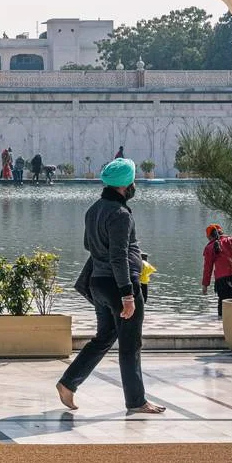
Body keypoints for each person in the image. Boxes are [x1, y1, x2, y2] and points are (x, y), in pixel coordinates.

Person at [57, 158, 165, 415]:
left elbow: (88, 245)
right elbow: (118, 255)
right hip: (119, 286)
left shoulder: (94, 210)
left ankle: (68, 383)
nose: (134, 185)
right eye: (133, 180)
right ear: (125, 185)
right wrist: (128, 295)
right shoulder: (120, 214)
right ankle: (136, 401)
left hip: (98, 283)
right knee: (130, 344)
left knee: (104, 337)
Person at [202, 224, 232, 315]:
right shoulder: (230, 240)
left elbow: (208, 268)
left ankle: (222, 324)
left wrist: (205, 285)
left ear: (210, 236)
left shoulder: (209, 248)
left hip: (222, 280)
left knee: (223, 305)